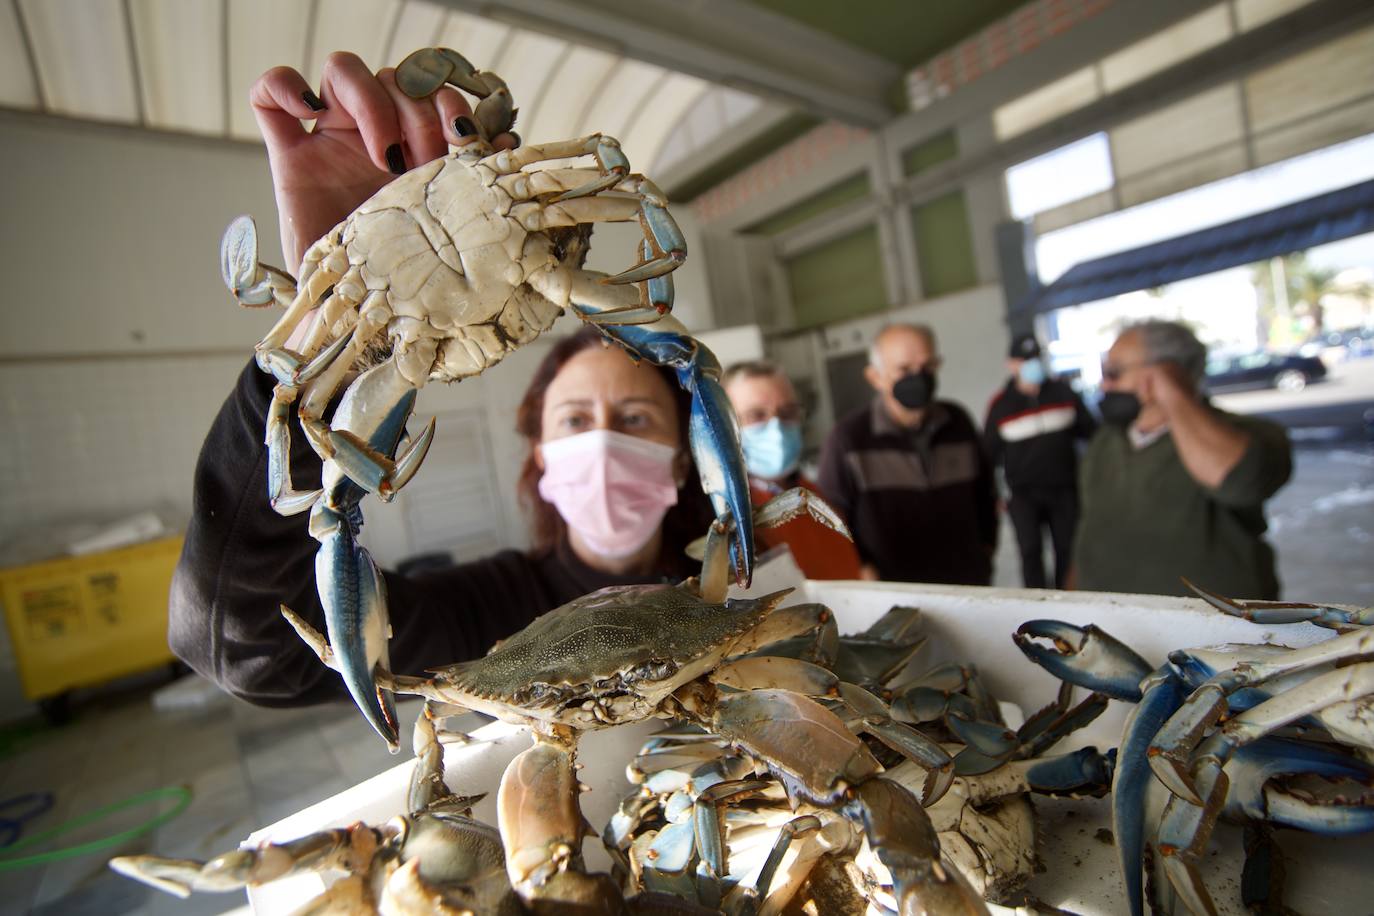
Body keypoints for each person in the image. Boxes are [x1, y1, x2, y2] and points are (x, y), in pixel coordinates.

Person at [167, 54, 714, 705]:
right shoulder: (481, 616)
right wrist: (330, 340)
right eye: (573, 420)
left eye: (634, 418)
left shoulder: (738, 575)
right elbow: (243, 646)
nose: (601, 443)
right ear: (538, 455)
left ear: (685, 456)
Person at [1072, 320, 1292, 599]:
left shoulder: (1249, 434)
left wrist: (1174, 395)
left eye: (1114, 372)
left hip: (1214, 628)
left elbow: (1238, 481)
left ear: (1169, 370)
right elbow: (1088, 529)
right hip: (1114, 620)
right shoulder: (1106, 440)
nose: (1105, 383)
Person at [817, 323, 998, 585]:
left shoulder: (958, 422)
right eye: (904, 369)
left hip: (969, 584)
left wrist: (986, 549)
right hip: (895, 595)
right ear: (875, 377)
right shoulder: (848, 439)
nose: (919, 377)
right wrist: (862, 568)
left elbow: (985, 492)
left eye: (927, 367)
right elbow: (831, 517)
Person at [722, 361, 862, 579]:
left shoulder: (816, 495)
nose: (777, 427)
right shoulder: (729, 517)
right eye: (756, 415)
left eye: (787, 412)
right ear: (725, 426)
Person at [984, 333, 1096, 589]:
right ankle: (1038, 606)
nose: (1031, 364)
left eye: (1035, 357)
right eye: (1024, 359)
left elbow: (1093, 435)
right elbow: (988, 454)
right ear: (1011, 364)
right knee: (1030, 552)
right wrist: (994, 495)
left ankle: (1068, 603)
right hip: (1023, 494)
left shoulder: (1064, 393)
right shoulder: (1001, 406)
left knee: (1067, 550)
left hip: (1065, 489)